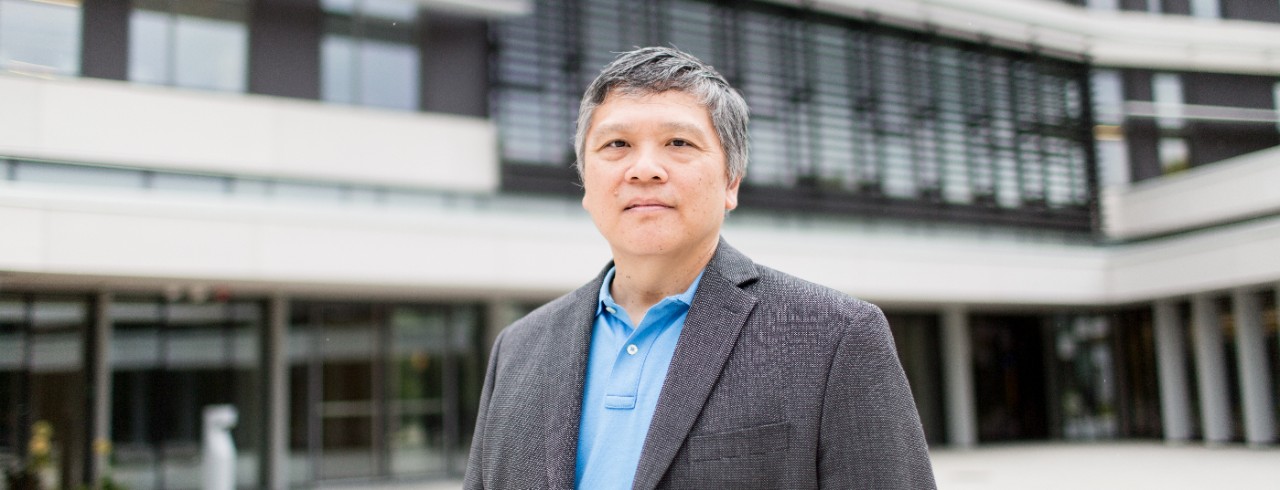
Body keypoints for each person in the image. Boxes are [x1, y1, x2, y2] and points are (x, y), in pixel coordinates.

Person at [464, 46, 936, 490]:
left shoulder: (836, 336)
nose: (644, 168)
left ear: (731, 181)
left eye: (678, 142)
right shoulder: (517, 349)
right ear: (586, 184)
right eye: (616, 144)